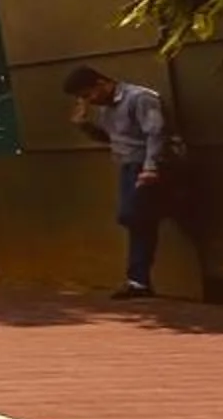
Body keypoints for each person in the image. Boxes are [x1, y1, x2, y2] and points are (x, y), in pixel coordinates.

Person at [62, 65, 178, 298]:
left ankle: (139, 279)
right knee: (139, 221)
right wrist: (84, 125)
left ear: (102, 83)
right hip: (128, 166)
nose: (89, 101)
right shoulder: (107, 109)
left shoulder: (140, 97)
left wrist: (151, 167)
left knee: (133, 216)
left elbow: (156, 133)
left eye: (88, 95)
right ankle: (138, 281)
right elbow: (113, 139)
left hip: (147, 165)